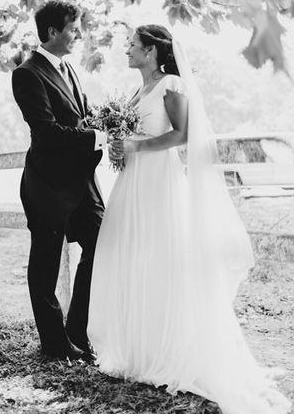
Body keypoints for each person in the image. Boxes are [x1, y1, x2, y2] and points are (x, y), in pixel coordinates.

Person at [87, 24, 292, 413]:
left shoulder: (172, 87)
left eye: (133, 45)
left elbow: (182, 135)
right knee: (135, 256)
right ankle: (140, 348)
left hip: (158, 180)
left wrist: (136, 145)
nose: (127, 50)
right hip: (132, 181)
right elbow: (133, 133)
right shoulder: (137, 90)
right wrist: (118, 144)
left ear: (151, 51)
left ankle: (174, 349)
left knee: (161, 257)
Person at [11, 0, 108, 362]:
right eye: (72, 28)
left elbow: (80, 116)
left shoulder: (69, 69)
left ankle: (76, 332)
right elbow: (48, 133)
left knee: (103, 248)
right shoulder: (27, 74)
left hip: (82, 185)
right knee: (45, 267)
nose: (78, 35)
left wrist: (106, 124)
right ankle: (54, 344)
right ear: (52, 32)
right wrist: (95, 137)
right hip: (48, 187)